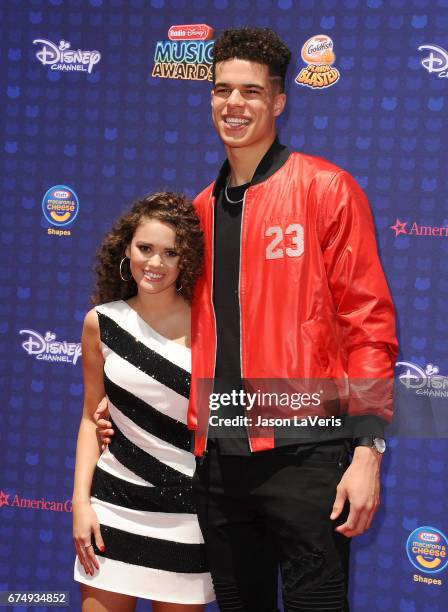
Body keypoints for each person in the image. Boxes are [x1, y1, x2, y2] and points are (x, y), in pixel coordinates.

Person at [98, 28, 397, 612]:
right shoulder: (197, 214)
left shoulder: (326, 190)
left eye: (251, 92)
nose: (234, 104)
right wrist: (125, 404)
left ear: (279, 101)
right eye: (222, 91)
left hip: (309, 453)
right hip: (218, 464)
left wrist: (367, 453)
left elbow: (369, 326)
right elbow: (174, 327)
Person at [72, 192, 214, 612]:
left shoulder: (211, 325)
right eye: (145, 248)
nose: (155, 263)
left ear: (185, 259)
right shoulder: (102, 323)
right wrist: (81, 504)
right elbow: (88, 419)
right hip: (112, 509)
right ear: (126, 249)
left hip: (187, 516)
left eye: (170, 253)